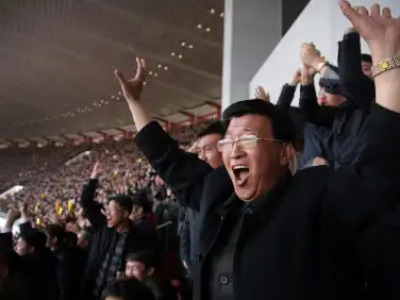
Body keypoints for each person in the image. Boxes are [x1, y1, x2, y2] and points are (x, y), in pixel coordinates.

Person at [113, 2, 400, 299]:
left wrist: (387, 65)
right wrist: (135, 103)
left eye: (248, 139)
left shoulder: (316, 195)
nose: (234, 151)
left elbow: (377, 168)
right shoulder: (217, 190)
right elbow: (166, 157)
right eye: (229, 141)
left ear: (285, 154)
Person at [80, 162, 157, 300]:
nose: (108, 214)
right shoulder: (102, 226)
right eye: (107, 210)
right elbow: (86, 203)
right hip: (92, 292)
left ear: (126, 213)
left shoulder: (139, 236)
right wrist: (93, 178)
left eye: (112, 211)